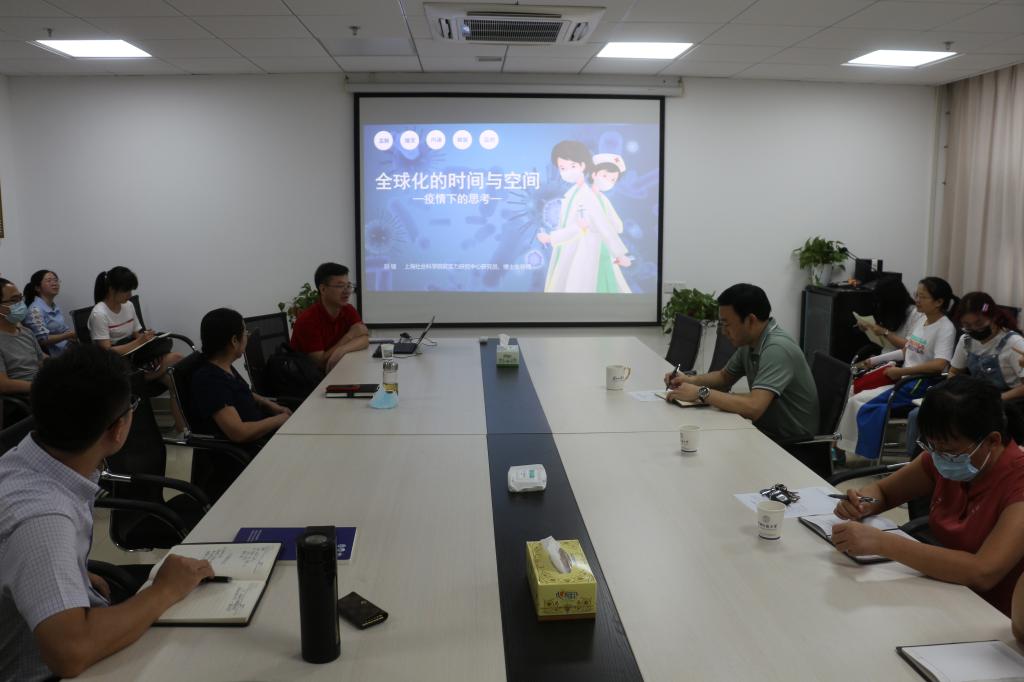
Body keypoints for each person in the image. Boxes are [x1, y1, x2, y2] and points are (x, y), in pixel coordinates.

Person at [0, 345, 214, 681]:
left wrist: (73, 573)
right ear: (117, 430)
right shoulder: (43, 519)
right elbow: (70, 652)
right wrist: (165, 590)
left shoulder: (24, 460)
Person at [832, 376, 1024, 616]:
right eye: (932, 447)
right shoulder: (946, 456)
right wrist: (862, 503)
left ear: (992, 441)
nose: (939, 457)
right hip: (944, 592)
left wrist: (881, 543)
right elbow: (884, 491)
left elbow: (983, 572)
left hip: (995, 615)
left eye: (949, 451)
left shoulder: (1017, 482)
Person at [665, 283, 819, 442]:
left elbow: (753, 407)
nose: (724, 332)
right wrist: (689, 380)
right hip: (765, 433)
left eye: (727, 324)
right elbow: (724, 377)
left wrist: (701, 392)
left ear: (750, 320)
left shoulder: (777, 349)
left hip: (792, 444)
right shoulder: (751, 342)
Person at [837, 276, 958, 460]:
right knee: (854, 393)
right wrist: (876, 360)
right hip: (903, 380)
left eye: (923, 297)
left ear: (939, 302)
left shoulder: (945, 328)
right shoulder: (923, 320)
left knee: (861, 402)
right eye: (916, 295)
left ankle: (857, 452)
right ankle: (844, 448)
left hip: (918, 385)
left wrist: (902, 372)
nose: (917, 300)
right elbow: (907, 350)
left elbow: (940, 364)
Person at [89, 266, 184, 431]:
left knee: (176, 380)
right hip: (116, 368)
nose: (130, 295)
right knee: (175, 363)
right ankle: (141, 380)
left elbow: (136, 333)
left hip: (137, 359)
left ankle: (183, 431)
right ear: (112, 289)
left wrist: (147, 337)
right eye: (126, 290)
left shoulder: (128, 306)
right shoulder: (99, 314)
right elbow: (106, 351)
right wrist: (139, 342)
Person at [192, 308, 291, 446]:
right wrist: (279, 420)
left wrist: (272, 406)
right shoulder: (210, 381)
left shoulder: (223, 366)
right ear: (234, 340)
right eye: (245, 332)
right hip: (255, 448)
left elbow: (241, 391)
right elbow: (239, 433)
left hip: (264, 433)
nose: (247, 336)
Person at [289, 262, 369, 372]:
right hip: (311, 379)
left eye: (348, 285)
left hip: (338, 371)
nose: (347, 291)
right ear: (323, 289)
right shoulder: (308, 320)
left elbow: (364, 339)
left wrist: (342, 350)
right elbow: (320, 363)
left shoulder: (348, 310)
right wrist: (350, 336)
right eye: (340, 286)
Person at [588, 152, 632, 294]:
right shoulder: (586, 197)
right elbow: (604, 228)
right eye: (605, 176)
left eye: (613, 180)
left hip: (605, 251)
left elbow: (617, 226)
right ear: (594, 174)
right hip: (592, 251)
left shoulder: (602, 199)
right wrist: (619, 254)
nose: (608, 181)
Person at [0, 278, 45, 396]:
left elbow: (41, 362)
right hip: (24, 396)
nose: (21, 304)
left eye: (20, 298)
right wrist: (42, 387)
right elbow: (4, 385)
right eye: (14, 300)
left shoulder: (26, 332)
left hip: (41, 388)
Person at [855, 276, 920, 354]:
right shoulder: (887, 310)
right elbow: (880, 334)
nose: (880, 305)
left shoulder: (916, 314)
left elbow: (912, 347)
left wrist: (885, 332)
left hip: (902, 358)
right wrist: (867, 327)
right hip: (885, 355)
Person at [23, 269, 77, 355]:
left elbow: (64, 330)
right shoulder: (35, 310)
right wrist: (68, 335)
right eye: (49, 281)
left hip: (67, 350)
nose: (54, 283)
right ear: (37, 288)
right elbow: (42, 340)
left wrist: (72, 336)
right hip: (53, 356)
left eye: (55, 280)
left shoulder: (54, 306)